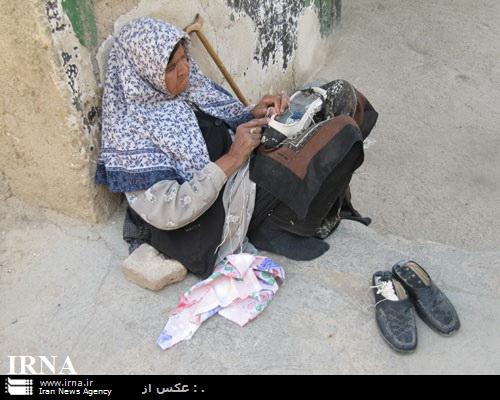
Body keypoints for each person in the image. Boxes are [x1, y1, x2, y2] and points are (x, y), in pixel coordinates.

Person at [95, 17, 372, 279]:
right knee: (341, 133)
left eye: (183, 58)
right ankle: (292, 221)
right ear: (143, 74)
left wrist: (255, 113)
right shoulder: (133, 131)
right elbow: (171, 211)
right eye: (170, 67)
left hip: (248, 164)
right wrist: (234, 156)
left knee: (341, 94)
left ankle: (311, 206)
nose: (184, 69)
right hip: (229, 205)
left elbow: (215, 127)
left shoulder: (188, 89)